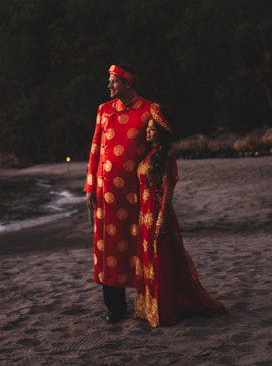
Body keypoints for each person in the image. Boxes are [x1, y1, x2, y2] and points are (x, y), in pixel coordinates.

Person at [134, 107, 227, 327]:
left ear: (161, 131)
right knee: (149, 262)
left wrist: (162, 220)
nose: (147, 132)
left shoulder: (166, 154)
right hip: (145, 214)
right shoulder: (151, 153)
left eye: (151, 128)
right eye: (147, 128)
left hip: (158, 213)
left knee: (162, 262)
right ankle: (151, 308)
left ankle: (165, 310)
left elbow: (168, 189)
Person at [84, 64, 158, 324]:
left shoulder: (151, 110)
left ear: (128, 83)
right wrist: (90, 186)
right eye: (109, 81)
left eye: (114, 81)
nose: (109, 85)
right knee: (109, 250)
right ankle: (115, 309)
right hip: (106, 196)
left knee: (140, 246)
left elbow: (159, 152)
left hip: (137, 194)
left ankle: (147, 303)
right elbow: (95, 150)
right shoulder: (104, 110)